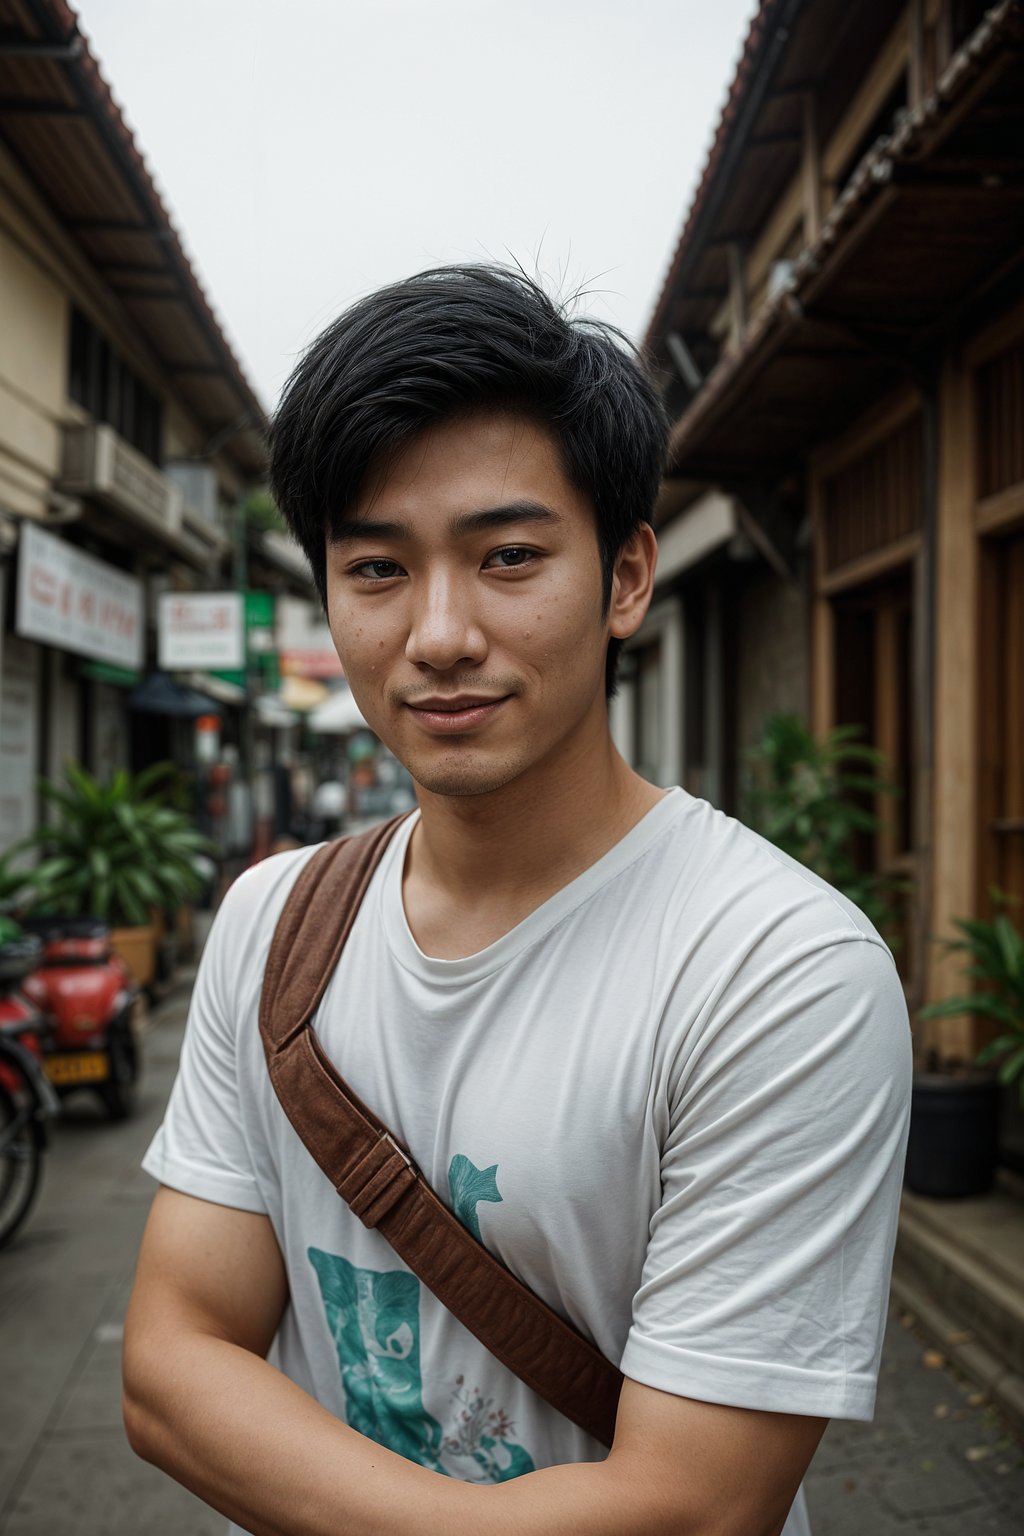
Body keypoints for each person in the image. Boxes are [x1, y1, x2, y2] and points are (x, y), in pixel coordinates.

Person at [124, 266, 911, 1536]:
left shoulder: (776, 970)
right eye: (377, 567)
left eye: (507, 556)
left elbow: (695, 1506)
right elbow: (169, 1363)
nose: (438, 632)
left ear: (625, 578)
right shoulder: (272, 923)